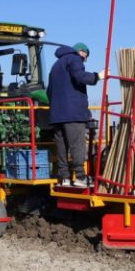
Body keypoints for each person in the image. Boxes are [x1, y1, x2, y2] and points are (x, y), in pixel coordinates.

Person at [46, 42, 106, 188]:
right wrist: (98, 76)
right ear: (82, 52)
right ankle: (80, 177)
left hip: (57, 115)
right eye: (86, 56)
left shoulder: (55, 66)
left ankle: (65, 178)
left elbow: (49, 92)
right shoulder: (74, 59)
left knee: (62, 146)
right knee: (77, 145)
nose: (85, 60)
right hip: (73, 114)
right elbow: (81, 77)